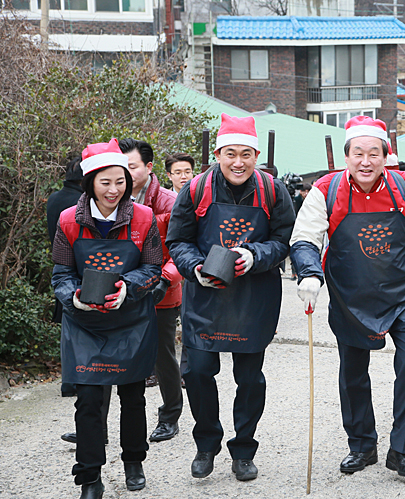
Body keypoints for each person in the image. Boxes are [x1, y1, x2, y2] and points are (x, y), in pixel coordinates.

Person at [289, 116, 405, 479]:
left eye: (374, 154)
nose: (366, 161)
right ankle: (362, 445)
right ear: (347, 156)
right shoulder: (326, 190)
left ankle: (403, 450)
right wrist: (309, 274)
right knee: (352, 372)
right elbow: (305, 237)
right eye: (358, 153)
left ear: (385, 156)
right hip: (352, 296)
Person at [166, 113, 295, 481]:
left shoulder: (273, 191)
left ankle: (243, 449)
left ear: (256, 155)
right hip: (205, 297)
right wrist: (195, 269)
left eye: (246, 154)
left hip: (254, 296)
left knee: (250, 379)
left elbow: (284, 239)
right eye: (230, 154)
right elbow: (178, 239)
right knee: (199, 372)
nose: (238, 162)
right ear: (218, 154)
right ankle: (206, 443)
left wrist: (256, 255)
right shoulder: (196, 190)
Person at [51, 139, 162, 499]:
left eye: (120, 181)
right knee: (88, 401)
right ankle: (89, 477)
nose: (114, 190)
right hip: (85, 324)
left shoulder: (142, 218)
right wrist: (75, 297)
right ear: (89, 183)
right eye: (105, 182)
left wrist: (129, 288)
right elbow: (61, 274)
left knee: (133, 396)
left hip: (131, 320)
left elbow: (153, 268)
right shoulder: (70, 220)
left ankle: (133, 460)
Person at [119, 138, 184, 443]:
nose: (126, 173)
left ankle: (170, 416)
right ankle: (94, 424)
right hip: (123, 291)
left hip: (161, 291)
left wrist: (165, 279)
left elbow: (180, 251)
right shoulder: (111, 196)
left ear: (149, 167)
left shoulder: (169, 202)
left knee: (162, 357)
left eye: (132, 167)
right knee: (112, 355)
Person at [47, 156, 86, 399]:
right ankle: (78, 379)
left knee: (67, 331)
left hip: (60, 267)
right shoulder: (80, 202)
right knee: (80, 330)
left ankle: (68, 381)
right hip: (79, 270)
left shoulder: (54, 198)